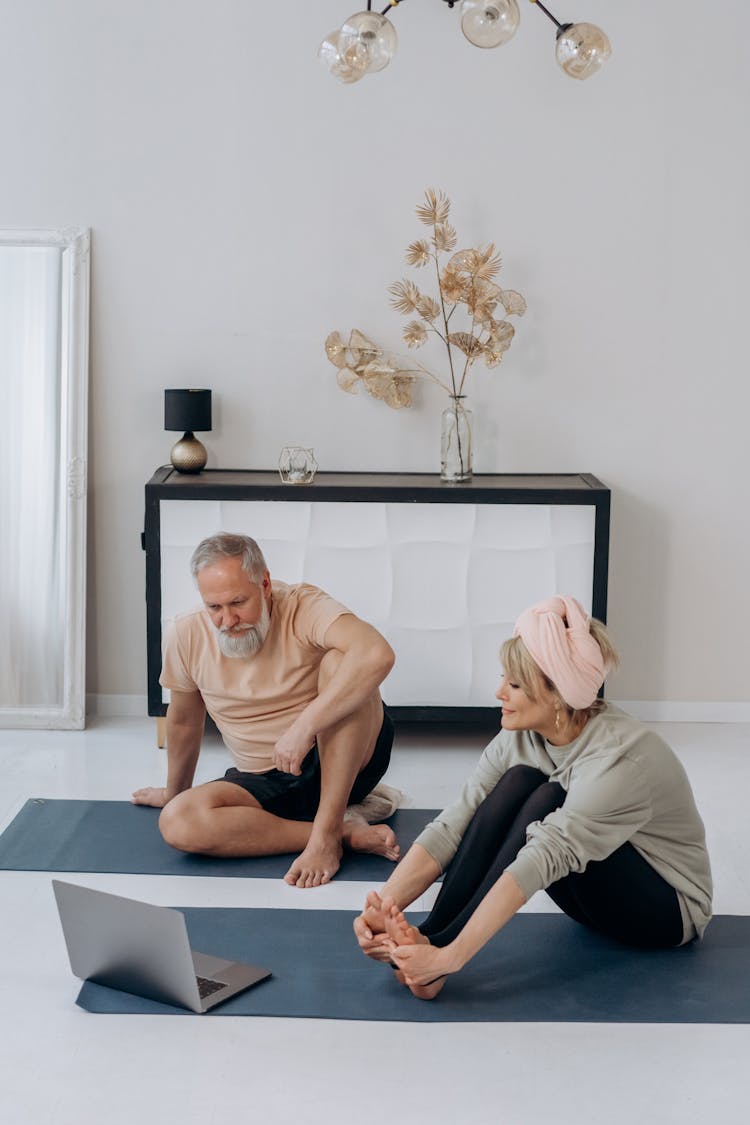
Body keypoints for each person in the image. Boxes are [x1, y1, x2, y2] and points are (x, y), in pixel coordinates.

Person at [354, 595, 713, 999]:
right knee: (521, 781)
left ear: (557, 695)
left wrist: (453, 957)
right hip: (590, 889)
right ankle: (427, 938)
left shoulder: (620, 758)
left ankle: (437, 956)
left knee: (550, 798)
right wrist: (382, 908)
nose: (498, 692)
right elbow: (459, 819)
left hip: (664, 912)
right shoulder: (519, 737)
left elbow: (543, 858)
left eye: (515, 684)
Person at [133, 532, 399, 888]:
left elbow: (376, 654)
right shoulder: (186, 633)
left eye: (238, 602)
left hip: (342, 758)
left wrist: (305, 727)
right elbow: (183, 721)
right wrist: (174, 793)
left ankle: (326, 836)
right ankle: (340, 832)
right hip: (264, 777)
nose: (227, 620)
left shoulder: (303, 605)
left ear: (265, 583)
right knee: (177, 821)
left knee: (343, 661)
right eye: (214, 607)